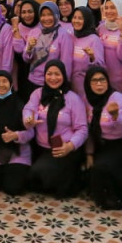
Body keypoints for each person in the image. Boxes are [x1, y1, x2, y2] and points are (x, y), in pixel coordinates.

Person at [24, 60, 87, 198]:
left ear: (64, 75)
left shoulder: (73, 99)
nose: (53, 78)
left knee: (43, 175)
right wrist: (28, 119)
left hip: (64, 149)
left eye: (57, 74)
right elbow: (28, 109)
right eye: (49, 74)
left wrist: (70, 146)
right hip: (41, 148)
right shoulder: (38, 94)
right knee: (28, 179)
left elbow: (82, 129)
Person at [84, 65, 122, 210]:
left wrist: (115, 116)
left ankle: (117, 198)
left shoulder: (117, 98)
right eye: (94, 81)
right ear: (88, 84)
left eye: (102, 80)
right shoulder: (88, 100)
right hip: (102, 144)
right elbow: (89, 129)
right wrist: (89, 153)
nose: (99, 84)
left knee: (102, 167)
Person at [18, 1, 72, 99]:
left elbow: (66, 64)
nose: (46, 18)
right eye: (43, 15)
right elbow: (26, 59)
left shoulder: (63, 35)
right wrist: (29, 48)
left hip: (53, 83)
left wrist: (63, 86)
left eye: (50, 14)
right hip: (33, 81)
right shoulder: (34, 32)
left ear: (56, 15)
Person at [97, 0, 122, 89]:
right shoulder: (101, 27)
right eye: (106, 8)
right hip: (103, 78)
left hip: (121, 81)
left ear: (120, 8)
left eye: (113, 7)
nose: (108, 11)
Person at [68, 7, 104, 101]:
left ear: (87, 20)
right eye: (74, 17)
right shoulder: (70, 36)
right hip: (68, 86)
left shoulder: (94, 39)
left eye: (80, 18)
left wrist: (92, 57)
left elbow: (100, 67)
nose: (76, 21)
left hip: (84, 89)